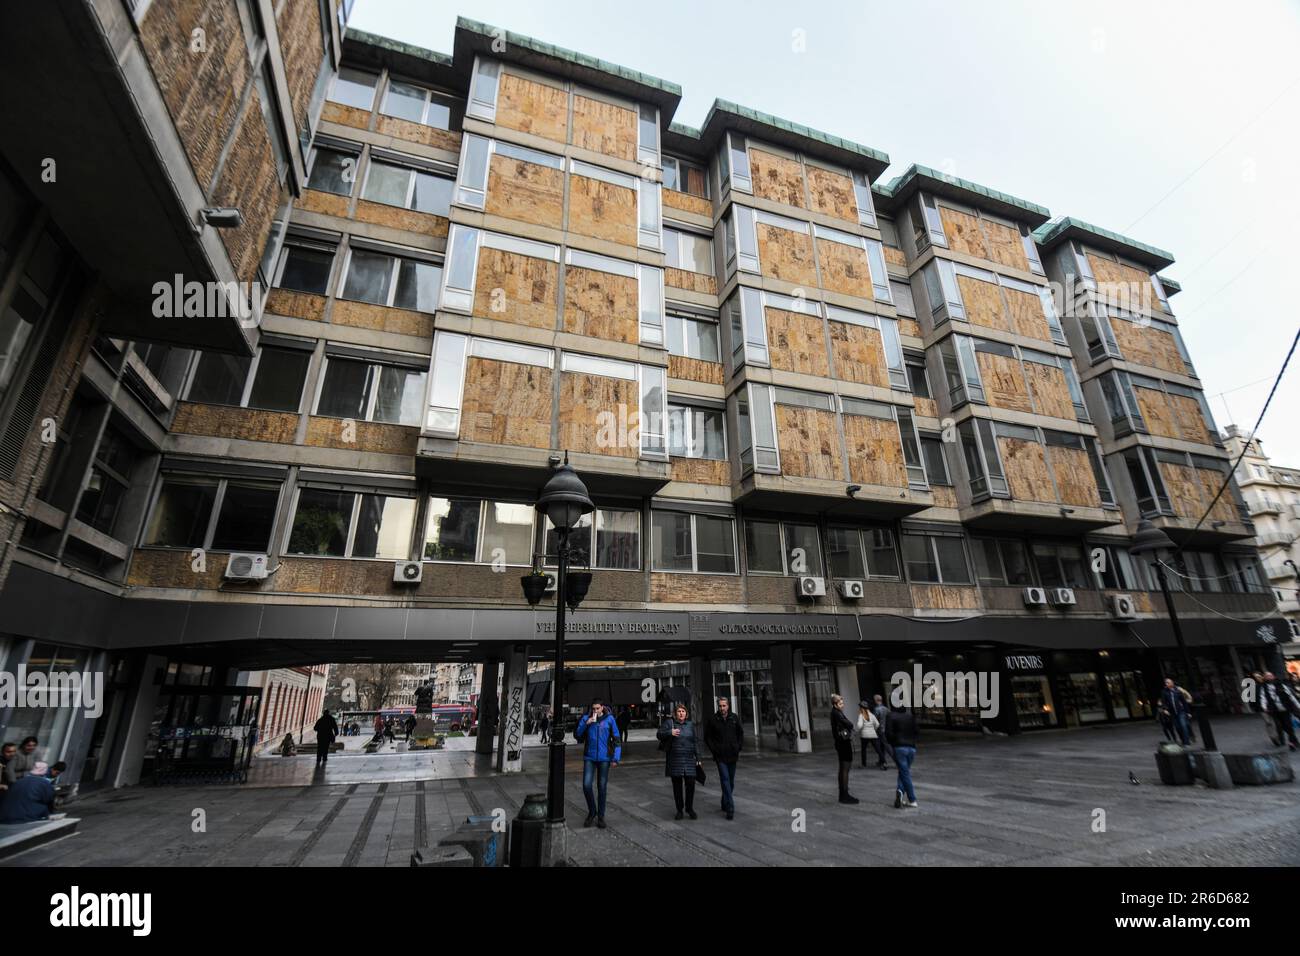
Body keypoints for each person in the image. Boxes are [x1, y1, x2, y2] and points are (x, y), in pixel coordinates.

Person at [574, 698, 621, 829]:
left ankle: (601, 816)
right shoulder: (586, 719)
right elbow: (577, 735)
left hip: (604, 758)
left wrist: (616, 758)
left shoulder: (610, 719)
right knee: (586, 785)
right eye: (593, 708)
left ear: (602, 708)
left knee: (602, 787)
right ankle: (592, 810)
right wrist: (586, 723)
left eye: (597, 708)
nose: (595, 711)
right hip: (589, 757)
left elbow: (617, 739)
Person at [703, 696, 743, 820]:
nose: (722, 708)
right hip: (720, 756)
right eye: (720, 706)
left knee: (730, 782)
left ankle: (724, 801)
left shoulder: (734, 718)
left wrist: (738, 747)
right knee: (725, 779)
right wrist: (714, 750)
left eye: (724, 705)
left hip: (732, 754)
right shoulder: (713, 719)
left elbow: (740, 734)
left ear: (728, 706)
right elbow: (707, 737)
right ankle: (730, 808)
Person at [657, 702, 699, 820]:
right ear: (675, 714)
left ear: (686, 714)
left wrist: (698, 758)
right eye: (679, 711)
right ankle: (679, 810)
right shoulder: (669, 724)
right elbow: (659, 734)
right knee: (677, 786)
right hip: (675, 759)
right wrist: (669, 732)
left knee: (690, 784)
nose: (681, 713)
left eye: (683, 711)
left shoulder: (690, 725)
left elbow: (695, 742)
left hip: (689, 759)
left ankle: (689, 808)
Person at [885, 703, 919, 809]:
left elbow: (888, 734)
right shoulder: (910, 716)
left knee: (905, 773)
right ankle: (900, 791)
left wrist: (894, 743)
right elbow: (917, 731)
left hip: (899, 747)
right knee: (904, 772)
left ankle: (912, 799)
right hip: (911, 748)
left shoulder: (891, 716)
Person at [1257, 671, 1300, 751]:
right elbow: (1262, 698)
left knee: (1288, 725)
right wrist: (1264, 707)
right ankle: (1294, 740)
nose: (1269, 677)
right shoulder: (1264, 688)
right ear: (1265, 678)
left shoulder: (1281, 685)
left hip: (1284, 708)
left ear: (1273, 676)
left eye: (1270, 675)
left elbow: (1290, 696)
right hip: (1274, 710)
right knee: (1282, 726)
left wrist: (1298, 706)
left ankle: (1292, 743)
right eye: (1267, 676)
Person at [830, 694, 858, 805]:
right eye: (840, 703)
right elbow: (849, 724)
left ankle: (843, 793)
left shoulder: (835, 712)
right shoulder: (837, 713)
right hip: (843, 743)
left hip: (840, 743)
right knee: (845, 767)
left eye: (842, 703)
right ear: (835, 704)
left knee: (843, 768)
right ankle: (844, 794)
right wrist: (850, 724)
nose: (843, 705)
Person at [1159, 678, 1193, 747]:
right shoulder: (1164, 692)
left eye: (1168, 682)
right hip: (1172, 713)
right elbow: (1163, 702)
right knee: (1178, 727)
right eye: (1166, 683)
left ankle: (1187, 742)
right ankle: (1183, 739)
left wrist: (1188, 712)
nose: (1166, 684)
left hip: (1181, 711)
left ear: (1172, 683)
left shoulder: (1178, 691)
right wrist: (1165, 709)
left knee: (1183, 726)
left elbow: (1184, 702)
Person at [855, 699, 883, 769]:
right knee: (878, 749)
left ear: (861, 708)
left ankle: (864, 764)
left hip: (864, 735)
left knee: (863, 750)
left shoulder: (861, 715)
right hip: (873, 735)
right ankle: (884, 762)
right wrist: (873, 730)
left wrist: (857, 731)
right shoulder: (872, 715)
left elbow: (859, 725)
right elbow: (877, 724)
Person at [871, 695, 893, 768]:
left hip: (879, 730)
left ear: (876, 700)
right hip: (885, 730)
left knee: (885, 746)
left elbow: (874, 721)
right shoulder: (886, 709)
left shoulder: (876, 710)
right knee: (883, 746)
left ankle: (896, 760)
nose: (873, 701)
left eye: (874, 700)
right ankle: (881, 761)